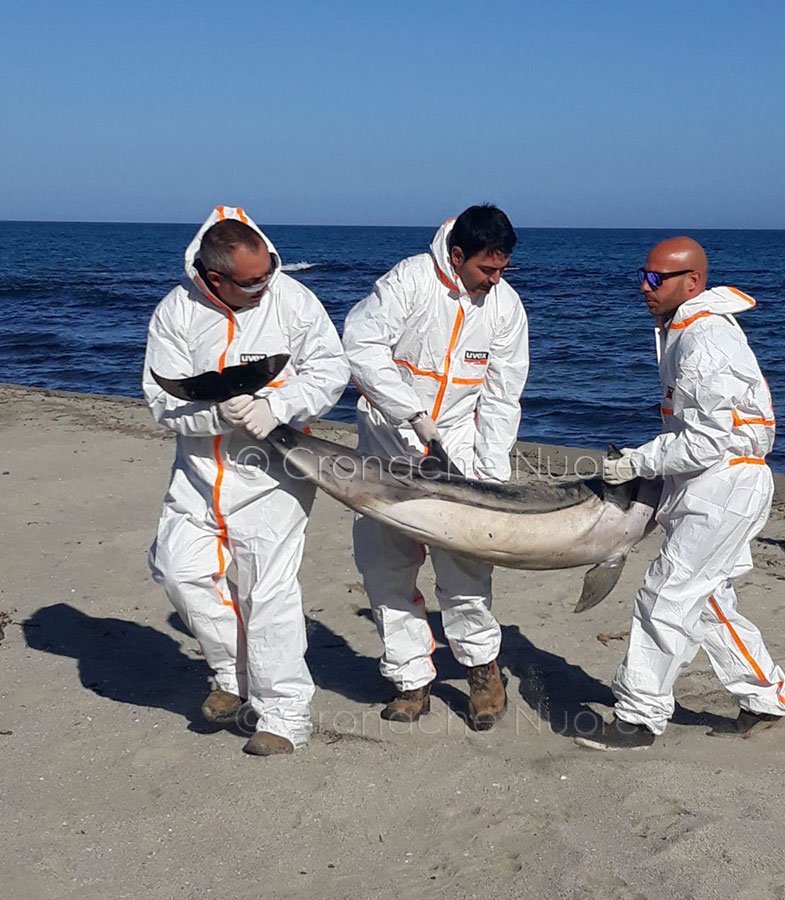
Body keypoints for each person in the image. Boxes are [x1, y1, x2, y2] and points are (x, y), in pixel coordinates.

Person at [143, 205, 349, 756]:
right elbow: (162, 400)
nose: (265, 286)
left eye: (268, 273)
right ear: (214, 279)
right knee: (179, 570)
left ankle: (284, 717)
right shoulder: (176, 312)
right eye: (251, 282)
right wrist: (216, 415)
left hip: (272, 476)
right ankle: (233, 675)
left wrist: (278, 405)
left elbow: (330, 369)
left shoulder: (292, 299)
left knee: (268, 593)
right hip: (197, 475)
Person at [577, 236, 785, 751]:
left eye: (656, 278)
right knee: (708, 597)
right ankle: (764, 696)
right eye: (643, 275)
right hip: (714, 482)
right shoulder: (683, 330)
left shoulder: (704, 340)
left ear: (692, 282)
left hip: (723, 483)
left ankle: (638, 718)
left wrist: (637, 461)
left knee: (666, 594)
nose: (644, 287)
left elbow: (706, 441)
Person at [342, 204, 529, 730]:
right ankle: (410, 680)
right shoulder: (409, 281)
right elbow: (360, 345)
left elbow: (502, 397)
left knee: (465, 569)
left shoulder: (506, 307)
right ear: (457, 254)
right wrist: (410, 414)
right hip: (388, 446)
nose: (494, 280)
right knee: (386, 566)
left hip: (459, 450)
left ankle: (482, 673)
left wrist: (490, 476)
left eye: (502, 269)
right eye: (486, 269)